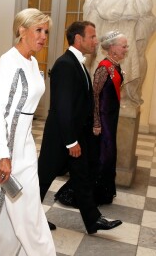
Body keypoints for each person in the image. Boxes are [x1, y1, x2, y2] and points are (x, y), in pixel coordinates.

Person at [0, 8, 56, 256]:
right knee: (0, 205)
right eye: (38, 30)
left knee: (27, 206)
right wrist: (4, 155)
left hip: (26, 144)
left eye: (46, 32)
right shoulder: (9, 60)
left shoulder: (33, 62)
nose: (43, 36)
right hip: (6, 144)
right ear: (22, 31)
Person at [38, 21, 122, 234]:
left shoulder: (79, 64)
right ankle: (29, 219)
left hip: (74, 135)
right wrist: (71, 141)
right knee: (42, 179)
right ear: (79, 39)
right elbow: (63, 107)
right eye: (92, 37)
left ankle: (93, 221)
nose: (96, 41)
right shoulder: (65, 64)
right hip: (61, 137)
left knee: (82, 178)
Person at [73, 0, 156, 107]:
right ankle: (97, 94)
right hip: (103, 1)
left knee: (133, 54)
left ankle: (126, 95)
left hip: (134, 4)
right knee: (97, 52)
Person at [93, 31, 128, 205]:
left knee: (110, 155)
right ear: (112, 48)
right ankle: (95, 194)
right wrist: (97, 122)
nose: (126, 49)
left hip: (112, 118)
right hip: (103, 119)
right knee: (104, 156)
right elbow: (95, 96)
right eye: (123, 46)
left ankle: (105, 193)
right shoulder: (103, 68)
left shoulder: (116, 66)